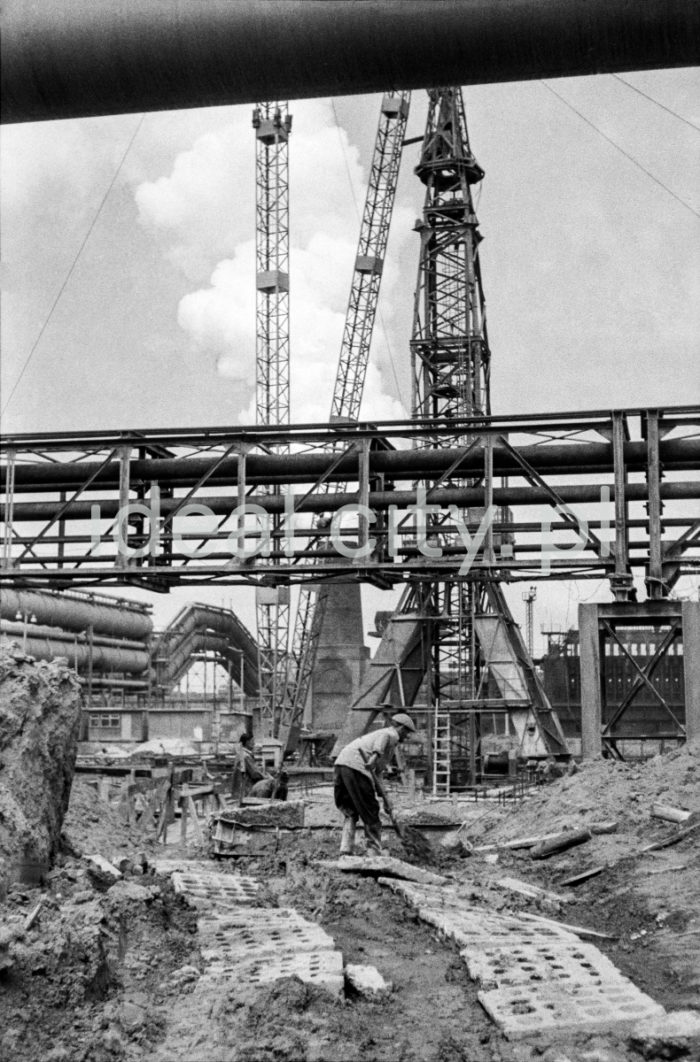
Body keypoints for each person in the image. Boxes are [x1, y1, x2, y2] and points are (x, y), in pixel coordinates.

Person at [334, 713, 416, 856]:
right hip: (358, 767)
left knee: (350, 811)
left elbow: (377, 775)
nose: (407, 737)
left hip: (342, 765)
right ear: (401, 728)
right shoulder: (390, 734)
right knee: (371, 811)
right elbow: (382, 741)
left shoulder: (385, 744)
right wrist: (375, 756)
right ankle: (374, 851)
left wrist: (386, 800)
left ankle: (346, 848)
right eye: (407, 732)